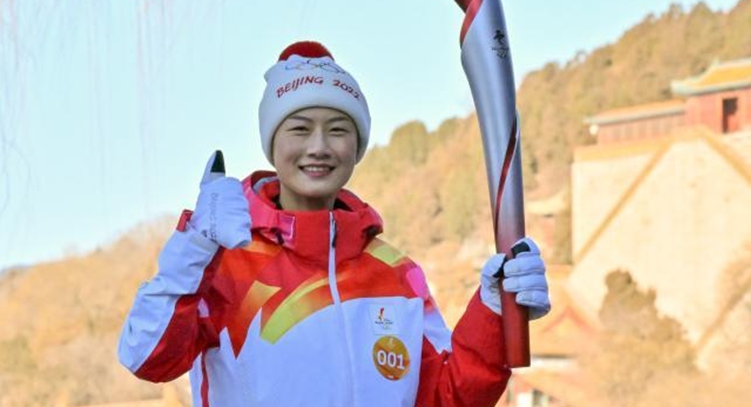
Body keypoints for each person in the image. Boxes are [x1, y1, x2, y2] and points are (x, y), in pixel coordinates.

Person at [118, 41, 550, 406]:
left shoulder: (395, 274)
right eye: (300, 129)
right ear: (272, 144)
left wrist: (494, 311)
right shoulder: (227, 261)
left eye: (339, 130)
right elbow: (148, 357)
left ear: (358, 145)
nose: (319, 147)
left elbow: (447, 396)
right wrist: (194, 247)